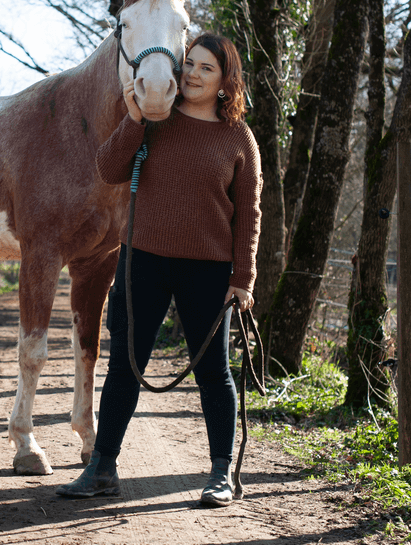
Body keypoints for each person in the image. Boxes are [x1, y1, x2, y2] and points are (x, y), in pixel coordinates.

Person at [56, 32, 262, 506]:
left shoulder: (238, 139)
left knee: (214, 374)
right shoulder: (155, 122)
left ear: (225, 82)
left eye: (206, 69)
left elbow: (249, 214)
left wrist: (242, 280)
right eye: (189, 63)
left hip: (209, 272)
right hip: (142, 262)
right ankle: (102, 468)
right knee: (125, 367)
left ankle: (219, 474)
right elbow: (107, 168)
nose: (192, 73)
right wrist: (133, 117)